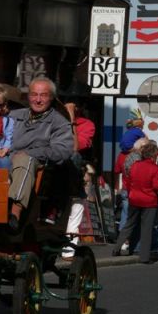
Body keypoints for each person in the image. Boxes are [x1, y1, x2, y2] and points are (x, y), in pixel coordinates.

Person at [7, 77, 74, 230]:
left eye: (43, 95)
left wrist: (30, 153)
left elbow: (62, 151)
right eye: (34, 94)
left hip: (35, 170)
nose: (37, 100)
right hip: (5, 162)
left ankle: (14, 213)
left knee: (25, 160)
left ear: (51, 98)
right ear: (28, 96)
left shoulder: (59, 123)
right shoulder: (14, 116)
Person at [112, 142, 158, 263]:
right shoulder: (155, 169)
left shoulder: (135, 165)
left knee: (129, 224)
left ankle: (116, 248)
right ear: (153, 155)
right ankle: (144, 257)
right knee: (146, 229)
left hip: (134, 198)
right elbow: (155, 186)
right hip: (149, 201)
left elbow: (129, 181)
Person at [62, 100, 96, 260]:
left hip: (74, 173)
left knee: (76, 207)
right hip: (57, 169)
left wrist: (71, 121)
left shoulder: (87, 124)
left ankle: (69, 248)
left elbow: (78, 145)